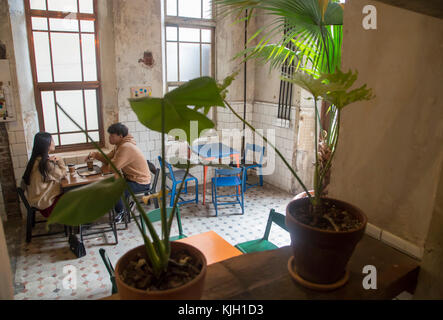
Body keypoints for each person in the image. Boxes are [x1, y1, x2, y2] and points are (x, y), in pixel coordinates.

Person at [86, 123, 151, 222]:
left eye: (112, 135)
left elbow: (113, 167)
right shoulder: (119, 145)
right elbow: (108, 158)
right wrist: (94, 154)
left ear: (120, 136)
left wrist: (109, 163)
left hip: (140, 182)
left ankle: (122, 212)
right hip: (131, 179)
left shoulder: (126, 147)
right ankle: (125, 208)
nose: (109, 138)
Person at [22, 132, 67, 218]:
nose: (54, 143)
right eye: (52, 140)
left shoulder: (34, 161)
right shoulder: (46, 163)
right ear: (46, 144)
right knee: (73, 194)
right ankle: (81, 221)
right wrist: (60, 160)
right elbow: (63, 174)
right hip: (47, 206)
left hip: (37, 202)